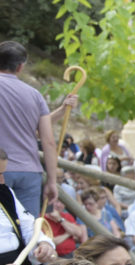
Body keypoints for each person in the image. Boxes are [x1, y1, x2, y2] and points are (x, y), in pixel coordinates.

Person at [0, 40, 78, 217]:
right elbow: (48, 140)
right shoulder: (34, 95)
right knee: (29, 231)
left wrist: (61, 110)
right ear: (20, 67)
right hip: (29, 172)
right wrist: (52, 180)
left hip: (2, 169)